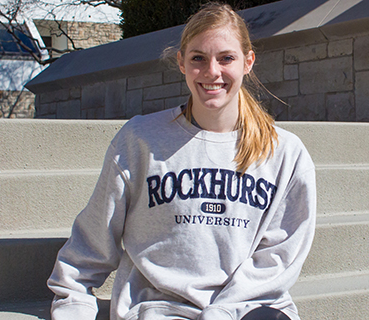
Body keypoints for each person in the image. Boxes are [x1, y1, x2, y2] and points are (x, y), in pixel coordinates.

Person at [46, 3, 317, 320]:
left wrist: (221, 313)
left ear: (248, 61)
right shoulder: (139, 139)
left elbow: (279, 257)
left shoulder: (284, 152)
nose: (212, 71)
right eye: (198, 58)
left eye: (226, 58)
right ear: (181, 63)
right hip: (161, 311)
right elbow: (93, 241)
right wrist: (72, 302)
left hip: (248, 311)